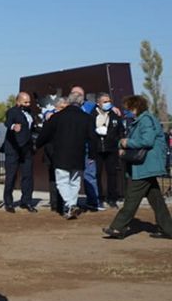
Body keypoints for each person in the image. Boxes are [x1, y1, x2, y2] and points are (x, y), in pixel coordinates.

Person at [102, 95, 172, 239]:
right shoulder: (142, 120)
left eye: (128, 108)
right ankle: (168, 229)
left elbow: (147, 141)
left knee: (132, 198)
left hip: (145, 166)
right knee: (157, 201)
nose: (126, 111)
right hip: (147, 166)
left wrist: (126, 143)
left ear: (135, 107)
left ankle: (118, 228)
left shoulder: (145, 120)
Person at [35, 90, 96, 219]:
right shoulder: (87, 118)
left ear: (68, 101)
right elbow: (93, 138)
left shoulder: (57, 117)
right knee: (75, 182)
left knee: (62, 181)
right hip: (78, 154)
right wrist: (92, 154)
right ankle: (71, 207)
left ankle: (69, 204)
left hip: (60, 154)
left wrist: (36, 145)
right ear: (81, 103)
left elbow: (45, 134)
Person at [2, 91, 38, 213]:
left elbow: (32, 128)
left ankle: (26, 201)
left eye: (29, 102)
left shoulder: (30, 113)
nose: (28, 104)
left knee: (28, 175)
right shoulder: (12, 112)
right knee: (11, 176)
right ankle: (8, 202)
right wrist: (13, 126)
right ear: (18, 102)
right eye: (25, 102)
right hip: (13, 148)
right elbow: (7, 122)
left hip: (26, 148)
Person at [90, 93, 125, 209]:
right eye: (104, 102)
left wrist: (120, 145)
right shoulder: (92, 115)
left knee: (112, 174)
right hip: (97, 149)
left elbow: (121, 131)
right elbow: (88, 131)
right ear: (98, 103)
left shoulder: (114, 114)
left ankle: (112, 198)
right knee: (97, 174)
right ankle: (99, 198)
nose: (107, 103)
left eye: (109, 101)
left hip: (111, 149)